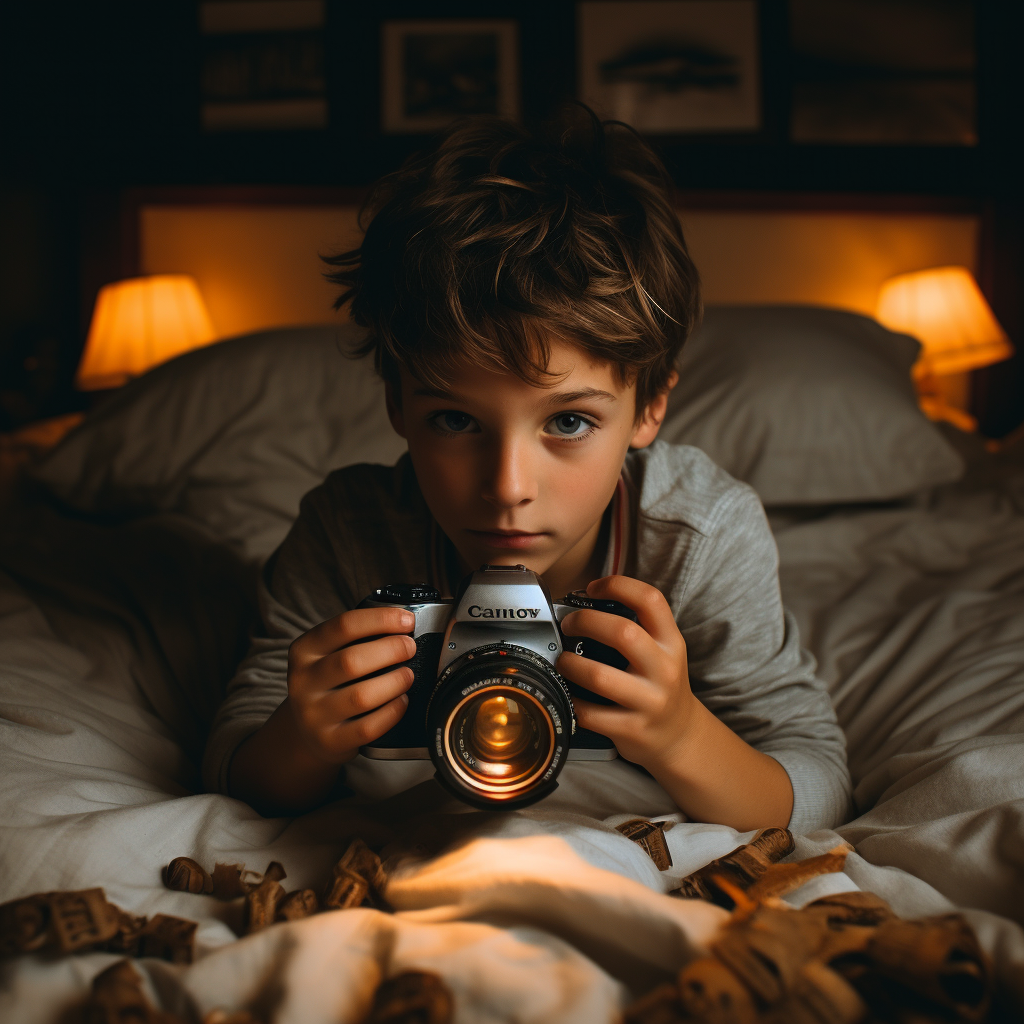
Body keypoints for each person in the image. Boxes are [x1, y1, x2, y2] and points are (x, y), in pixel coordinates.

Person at [203, 111, 851, 833]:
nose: (508, 486)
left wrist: (680, 733)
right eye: (455, 420)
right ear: (398, 405)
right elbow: (236, 757)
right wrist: (302, 737)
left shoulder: (696, 537)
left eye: (568, 422)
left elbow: (818, 782)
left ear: (649, 408)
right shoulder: (349, 532)